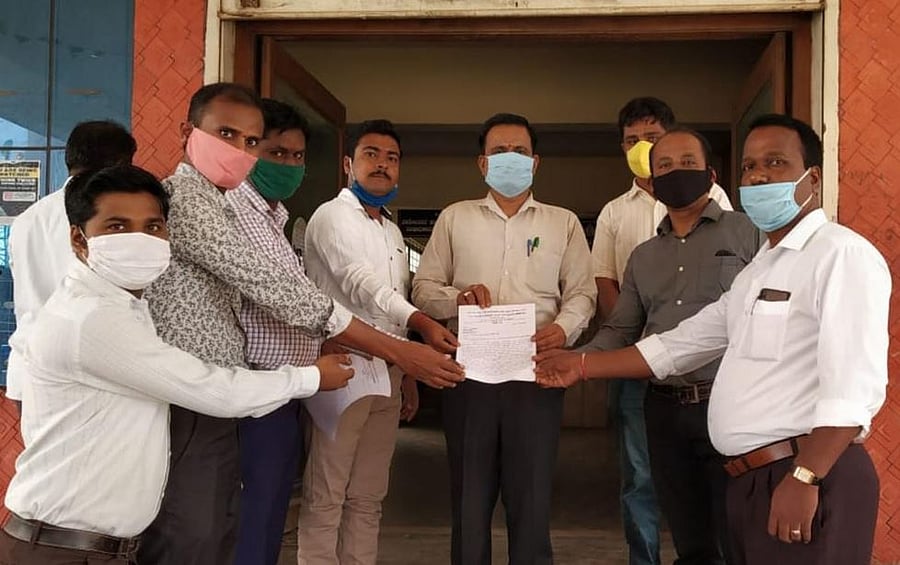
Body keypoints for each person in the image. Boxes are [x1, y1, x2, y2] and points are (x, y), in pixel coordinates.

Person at [536, 114, 889, 565]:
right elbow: (682, 343)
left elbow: (853, 388)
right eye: (750, 166)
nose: (758, 176)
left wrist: (806, 476)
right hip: (754, 478)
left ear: (813, 178)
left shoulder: (840, 254)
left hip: (804, 473)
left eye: (775, 163)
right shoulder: (761, 268)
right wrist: (580, 364)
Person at [139, 83, 464, 565]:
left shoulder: (268, 215)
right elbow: (287, 293)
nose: (240, 151)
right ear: (189, 132)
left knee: (250, 520)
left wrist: (396, 358)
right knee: (204, 530)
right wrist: (403, 347)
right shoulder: (188, 200)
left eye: (251, 141)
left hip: (258, 388)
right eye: (227, 135)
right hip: (205, 393)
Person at [0, 165, 354, 565]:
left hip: (90, 547)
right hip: (63, 551)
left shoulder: (123, 307)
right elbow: (215, 390)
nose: (139, 240)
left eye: (152, 227)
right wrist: (310, 377)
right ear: (79, 240)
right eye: (117, 227)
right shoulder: (90, 319)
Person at [412, 113, 596, 565]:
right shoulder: (455, 218)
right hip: (468, 374)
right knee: (469, 501)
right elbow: (423, 287)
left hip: (536, 374)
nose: (509, 159)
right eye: (498, 152)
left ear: (535, 163)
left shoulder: (562, 223)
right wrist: (458, 299)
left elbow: (583, 293)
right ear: (482, 163)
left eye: (519, 151)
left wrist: (563, 328)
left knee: (531, 499)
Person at [588, 128, 762, 565]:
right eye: (664, 166)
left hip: (731, 402)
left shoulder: (750, 233)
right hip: (663, 408)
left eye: (688, 163)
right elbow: (620, 329)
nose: (676, 172)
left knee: (739, 534)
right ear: (651, 180)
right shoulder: (643, 257)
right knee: (690, 538)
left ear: (710, 174)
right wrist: (572, 360)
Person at [299, 119, 459, 565]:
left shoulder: (390, 230)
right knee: (327, 492)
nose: (382, 165)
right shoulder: (332, 216)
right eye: (371, 154)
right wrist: (421, 322)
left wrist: (406, 374)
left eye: (392, 158)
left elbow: (395, 297)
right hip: (344, 369)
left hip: (388, 373)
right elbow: (360, 283)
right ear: (348, 164)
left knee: (369, 495)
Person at [224, 98, 320, 565]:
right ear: (249, 150)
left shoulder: (274, 219)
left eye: (297, 156)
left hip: (284, 393)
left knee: (269, 512)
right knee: (252, 515)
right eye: (276, 153)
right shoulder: (234, 212)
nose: (288, 165)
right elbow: (292, 301)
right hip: (253, 393)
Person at [6, 120, 137, 404]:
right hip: (81, 377)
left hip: (27, 370)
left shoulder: (27, 219)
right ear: (120, 165)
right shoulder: (109, 221)